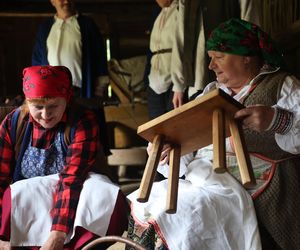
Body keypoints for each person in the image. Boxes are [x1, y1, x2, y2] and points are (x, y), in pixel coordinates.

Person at [127, 18, 300, 250]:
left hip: (248, 186)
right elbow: (187, 154)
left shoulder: (282, 85)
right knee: (151, 203)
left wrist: (275, 120)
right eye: (210, 58)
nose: (211, 66)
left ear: (245, 56)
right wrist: (168, 152)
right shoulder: (210, 93)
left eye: (218, 57)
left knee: (186, 213)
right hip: (204, 180)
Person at [0, 65, 128, 250]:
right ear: (27, 101)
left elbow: (71, 179)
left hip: (74, 194)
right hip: (32, 200)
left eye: (53, 106)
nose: (45, 115)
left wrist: (57, 235)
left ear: (67, 99)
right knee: (19, 190)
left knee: (101, 189)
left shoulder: (82, 122)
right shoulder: (13, 124)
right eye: (37, 107)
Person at [171, 0, 260, 107]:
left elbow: (250, 30)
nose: (211, 66)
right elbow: (181, 37)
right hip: (196, 79)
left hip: (237, 82)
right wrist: (178, 85)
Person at [32, 0, 108, 98]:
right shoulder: (44, 28)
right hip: (52, 92)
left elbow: (99, 56)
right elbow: (37, 60)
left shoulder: (88, 25)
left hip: (82, 91)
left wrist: (100, 88)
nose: (66, 1)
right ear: (52, 1)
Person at [146, 0, 188, 119]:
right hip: (154, 79)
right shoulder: (159, 14)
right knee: (155, 126)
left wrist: (179, 86)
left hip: (174, 76)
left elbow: (181, 45)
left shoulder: (180, 10)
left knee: (174, 123)